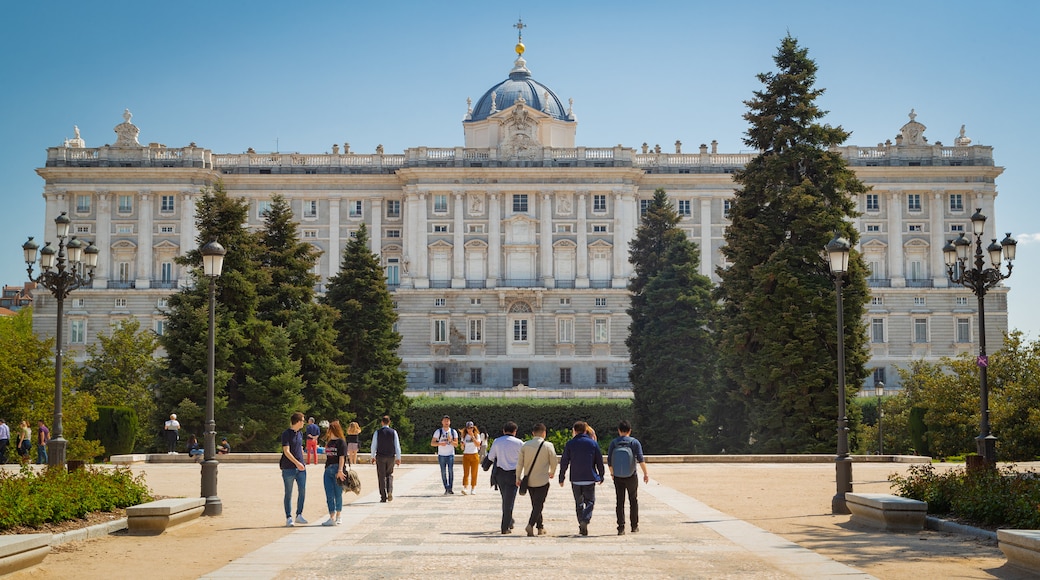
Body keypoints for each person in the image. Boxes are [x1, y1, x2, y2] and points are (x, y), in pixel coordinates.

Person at [558, 420, 604, 536]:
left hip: (576, 478)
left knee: (578, 503)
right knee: (590, 501)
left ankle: (581, 523)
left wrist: (561, 477)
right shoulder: (593, 444)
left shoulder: (570, 444)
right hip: (589, 477)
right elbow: (599, 461)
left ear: (574, 431)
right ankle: (585, 520)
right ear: (585, 430)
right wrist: (601, 475)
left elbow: (564, 462)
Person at [607, 420, 650, 535]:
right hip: (632, 475)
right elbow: (641, 459)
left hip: (617, 476)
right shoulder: (634, 442)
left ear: (619, 431)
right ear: (630, 430)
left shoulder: (614, 443)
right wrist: (645, 474)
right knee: (633, 500)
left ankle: (621, 527)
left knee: (620, 501)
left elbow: (609, 461)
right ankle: (634, 526)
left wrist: (612, 473)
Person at [515, 423, 558, 536]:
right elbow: (554, 461)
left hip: (529, 480)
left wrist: (518, 477)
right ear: (544, 433)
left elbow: (519, 464)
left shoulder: (525, 445)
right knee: (539, 504)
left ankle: (540, 527)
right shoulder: (548, 445)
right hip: (542, 479)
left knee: (535, 504)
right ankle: (530, 524)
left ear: (533, 433)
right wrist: (552, 472)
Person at [486, 421, 523, 534]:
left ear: (503, 430)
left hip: (500, 475)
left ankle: (510, 520)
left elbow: (491, 457)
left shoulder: (497, 441)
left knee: (505, 499)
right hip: (513, 474)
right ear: (515, 431)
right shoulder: (519, 443)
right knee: (509, 501)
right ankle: (504, 526)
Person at [280, 412, 308, 527]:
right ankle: (288, 517)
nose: (304, 422)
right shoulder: (286, 434)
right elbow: (286, 451)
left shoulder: (300, 434)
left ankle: (299, 514)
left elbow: (298, 448)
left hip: (301, 468)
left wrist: (302, 460)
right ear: (298, 421)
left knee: (302, 491)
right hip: (288, 468)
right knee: (288, 493)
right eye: (302, 420)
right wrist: (297, 463)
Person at [322, 420, 347, 526]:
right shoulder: (328, 442)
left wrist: (340, 470)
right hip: (328, 469)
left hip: (337, 469)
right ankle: (331, 516)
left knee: (338, 494)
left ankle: (338, 515)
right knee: (329, 494)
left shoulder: (341, 442)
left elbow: (342, 457)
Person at [371, 415, 401, 502]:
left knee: (381, 476)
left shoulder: (377, 432)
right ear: (389, 422)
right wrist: (398, 457)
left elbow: (374, 445)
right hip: (391, 456)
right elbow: (397, 445)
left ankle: (383, 496)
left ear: (382, 422)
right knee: (389, 474)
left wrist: (373, 456)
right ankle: (390, 491)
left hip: (380, 456)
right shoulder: (393, 432)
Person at [431, 415, 459, 495]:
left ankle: (450, 488)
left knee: (450, 471)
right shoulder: (438, 432)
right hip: (442, 455)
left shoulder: (453, 432)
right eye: (445, 421)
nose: (446, 422)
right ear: (442, 422)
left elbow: (456, 444)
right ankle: (446, 487)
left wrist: (450, 441)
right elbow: (432, 443)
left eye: (448, 421)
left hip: (450, 454)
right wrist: (439, 444)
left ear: (450, 422)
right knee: (443, 472)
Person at [459, 421, 483, 495]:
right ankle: (465, 487)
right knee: (466, 472)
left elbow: (478, 445)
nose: (470, 429)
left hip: (474, 455)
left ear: (473, 428)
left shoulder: (477, 435)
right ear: (466, 428)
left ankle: (473, 488)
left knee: (474, 473)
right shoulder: (464, 436)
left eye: (471, 428)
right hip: (466, 455)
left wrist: (473, 437)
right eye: (468, 428)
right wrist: (462, 445)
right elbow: (462, 448)